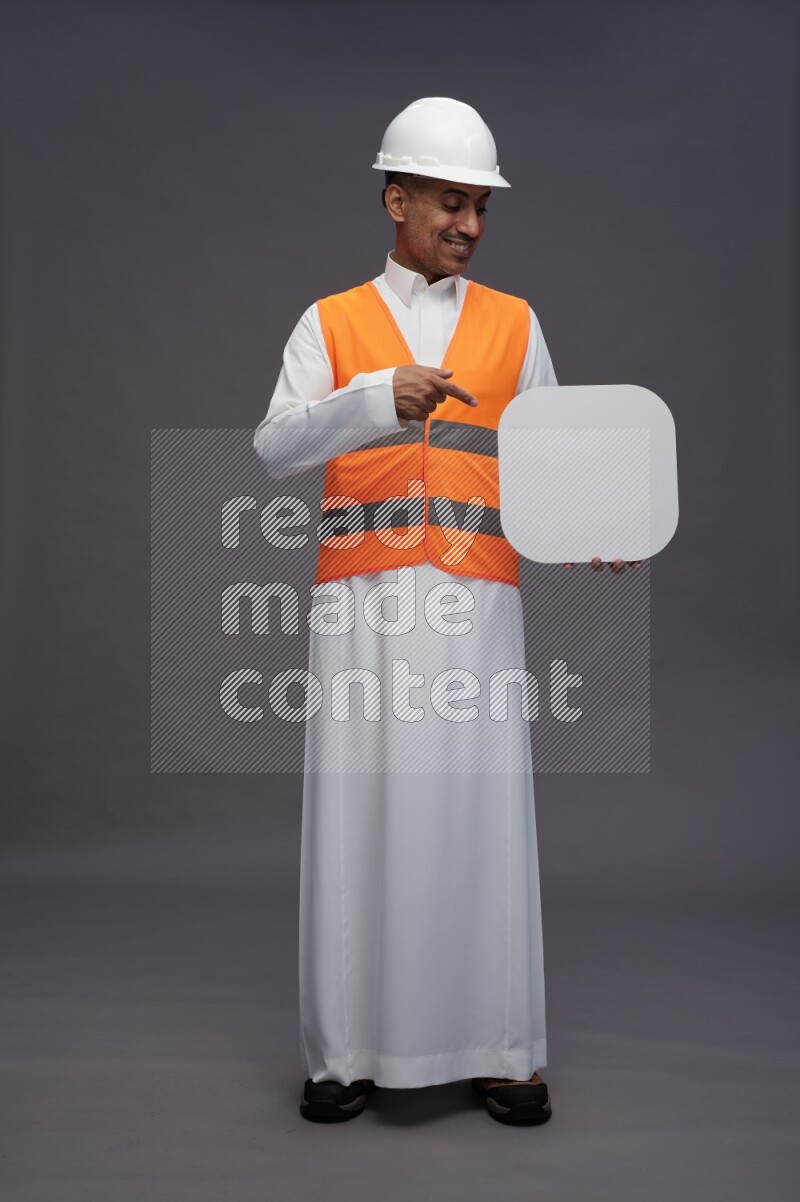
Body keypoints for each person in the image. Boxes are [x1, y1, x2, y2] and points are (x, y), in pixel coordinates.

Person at [253, 97, 635, 1127]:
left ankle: (502, 1049)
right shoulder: (329, 322)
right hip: (363, 606)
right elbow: (275, 444)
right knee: (356, 813)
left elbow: (550, 457)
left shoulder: (515, 322)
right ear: (396, 198)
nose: (466, 224)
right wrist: (378, 396)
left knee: (480, 817)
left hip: (474, 607)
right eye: (449, 202)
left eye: (478, 207)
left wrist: (592, 522)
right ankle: (344, 1053)